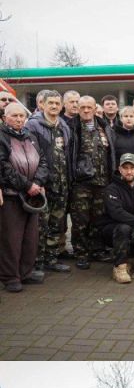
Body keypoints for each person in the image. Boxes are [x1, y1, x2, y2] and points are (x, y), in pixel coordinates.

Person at [0, 101, 49, 292]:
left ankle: (25, 273)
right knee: (11, 239)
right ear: (5, 118)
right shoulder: (2, 137)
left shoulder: (30, 136)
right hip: (12, 196)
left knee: (30, 238)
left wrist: (37, 182)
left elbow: (44, 161)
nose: (19, 119)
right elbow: (4, 167)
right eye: (14, 116)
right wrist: (27, 185)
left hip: (32, 195)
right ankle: (10, 277)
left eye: (22, 116)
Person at [25, 89, 72, 274]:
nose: (54, 106)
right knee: (39, 226)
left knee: (56, 224)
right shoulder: (33, 126)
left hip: (62, 184)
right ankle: (36, 263)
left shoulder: (64, 126)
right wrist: (38, 180)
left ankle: (51, 259)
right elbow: (33, 156)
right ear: (42, 104)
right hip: (43, 184)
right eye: (50, 103)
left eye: (57, 103)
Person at [71, 94, 116, 269]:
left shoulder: (104, 126)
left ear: (95, 108)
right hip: (81, 183)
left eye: (90, 107)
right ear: (78, 108)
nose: (86, 110)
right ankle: (81, 253)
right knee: (80, 220)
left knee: (99, 219)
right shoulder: (72, 127)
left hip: (102, 182)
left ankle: (97, 250)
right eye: (83, 107)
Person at [98, 153, 134, 284]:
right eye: (125, 168)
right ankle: (119, 266)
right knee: (123, 228)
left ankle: (126, 257)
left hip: (133, 229)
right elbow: (117, 213)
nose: (129, 171)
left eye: (132, 167)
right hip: (112, 231)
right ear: (120, 169)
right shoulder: (111, 189)